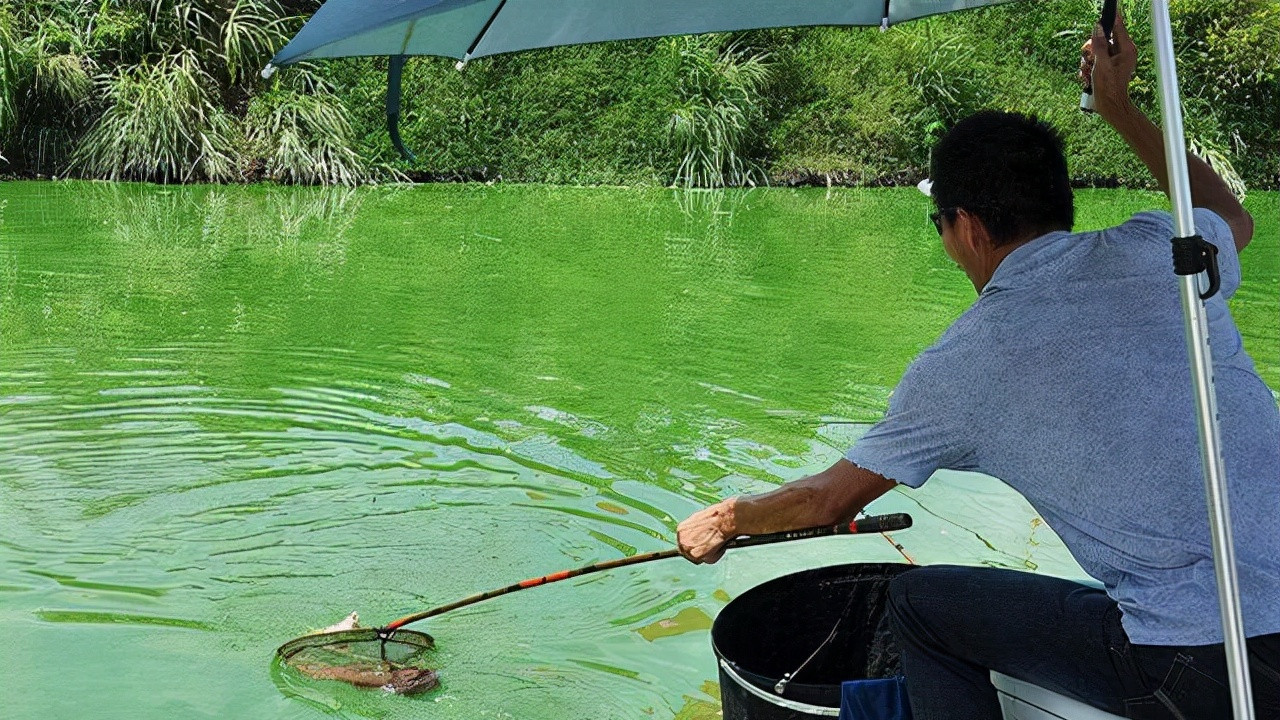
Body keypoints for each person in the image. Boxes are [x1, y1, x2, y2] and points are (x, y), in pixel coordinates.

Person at [675, 9, 1280, 720]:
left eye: (940, 227)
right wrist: (1121, 110)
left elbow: (827, 501)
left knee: (919, 605)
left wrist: (725, 520)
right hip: (1249, 639)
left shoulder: (965, 363)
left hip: (1208, 668)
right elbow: (1232, 217)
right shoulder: (1161, 250)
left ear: (965, 224)